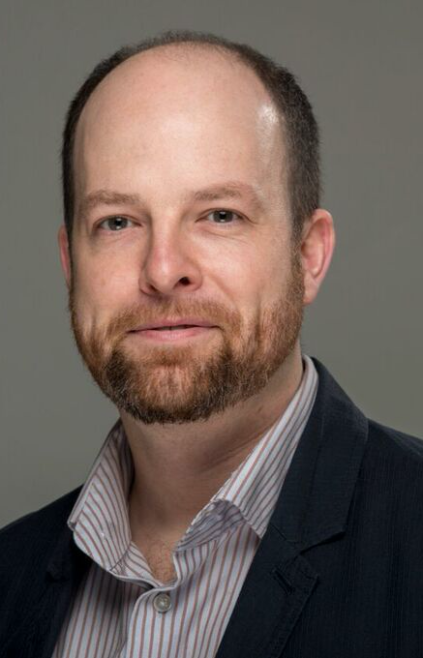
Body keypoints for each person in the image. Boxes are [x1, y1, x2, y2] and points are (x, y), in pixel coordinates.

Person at [1, 29, 422, 658]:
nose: (163, 268)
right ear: (70, 262)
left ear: (308, 255)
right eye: (117, 222)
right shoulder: (9, 577)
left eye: (219, 214)